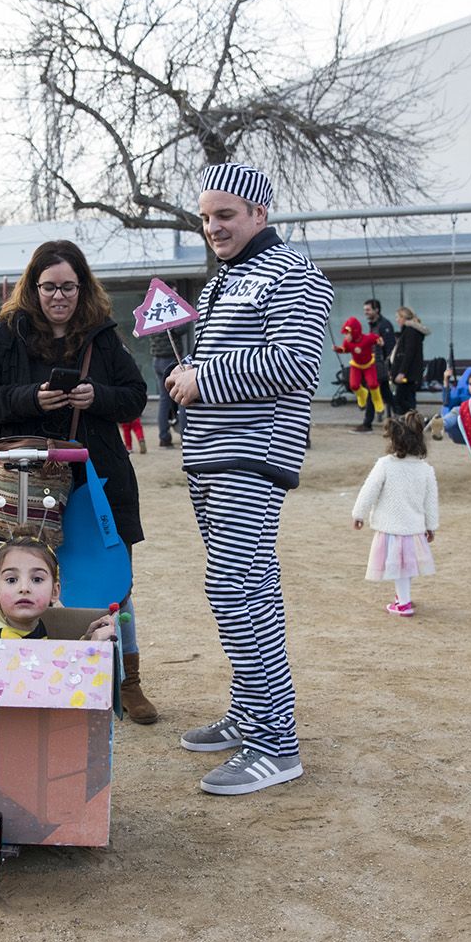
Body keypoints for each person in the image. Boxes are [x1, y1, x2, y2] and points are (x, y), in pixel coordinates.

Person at [165, 161, 333, 796]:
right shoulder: (223, 280)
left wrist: (201, 377)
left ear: (260, 214)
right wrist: (187, 372)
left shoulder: (293, 274)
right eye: (206, 217)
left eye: (226, 214)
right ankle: (249, 713)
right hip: (211, 457)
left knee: (237, 591)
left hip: (253, 456)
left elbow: (296, 363)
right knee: (245, 590)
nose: (213, 226)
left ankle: (276, 744)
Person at [0, 239, 158, 724]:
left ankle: (125, 679)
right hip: (23, 484)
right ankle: (24, 674)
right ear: (33, 287)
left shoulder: (102, 334)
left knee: (109, 582)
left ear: (82, 287)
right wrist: (32, 397)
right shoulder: (4, 334)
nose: (59, 296)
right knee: (22, 578)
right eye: (49, 286)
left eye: (69, 287)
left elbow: (135, 396)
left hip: (95, 481)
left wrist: (97, 396)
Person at [351, 412, 439, 617]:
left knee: (400, 568)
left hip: (391, 527)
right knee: (406, 567)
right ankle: (403, 597)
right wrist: (431, 526)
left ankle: (404, 603)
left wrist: (359, 514)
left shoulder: (385, 464)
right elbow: (431, 501)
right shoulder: (425, 469)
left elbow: (369, 490)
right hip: (413, 528)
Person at [0, 535, 119, 642]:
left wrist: (86, 640)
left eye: (37, 579)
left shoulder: (33, 626)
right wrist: (93, 648)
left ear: (55, 591)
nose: (24, 588)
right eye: (11, 580)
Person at [334, 316, 386, 432]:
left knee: (373, 384)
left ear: (355, 332)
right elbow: (344, 349)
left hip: (369, 365)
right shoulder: (347, 342)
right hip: (356, 366)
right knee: (354, 385)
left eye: (347, 333)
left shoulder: (367, 338)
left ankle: (379, 404)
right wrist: (338, 349)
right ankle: (362, 395)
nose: (346, 336)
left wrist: (380, 341)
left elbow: (376, 339)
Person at [149, 326, 189, 448]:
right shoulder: (169, 316)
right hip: (171, 358)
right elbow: (180, 329)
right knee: (182, 396)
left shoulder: (152, 317)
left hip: (157, 359)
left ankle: (164, 437)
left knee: (164, 399)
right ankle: (185, 437)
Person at [363, 298, 397, 426]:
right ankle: (401, 414)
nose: (366, 312)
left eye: (368, 310)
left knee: (373, 392)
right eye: (365, 310)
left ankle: (367, 423)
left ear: (376, 310)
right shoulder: (374, 326)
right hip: (374, 365)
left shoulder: (384, 325)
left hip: (380, 366)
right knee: (386, 393)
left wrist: (388, 367)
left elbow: (390, 347)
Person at [390, 306, 430, 413]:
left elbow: (409, 353)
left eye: (398, 317)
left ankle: (411, 417)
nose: (397, 320)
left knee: (401, 399)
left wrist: (402, 372)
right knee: (407, 398)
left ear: (404, 317)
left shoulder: (410, 331)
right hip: (410, 374)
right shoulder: (409, 331)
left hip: (408, 374)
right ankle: (411, 418)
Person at [436, 366, 471, 444]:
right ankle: (438, 426)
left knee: (459, 409)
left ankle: (440, 425)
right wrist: (446, 380)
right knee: (458, 409)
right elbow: (446, 403)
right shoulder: (464, 396)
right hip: (465, 433)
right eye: (470, 384)